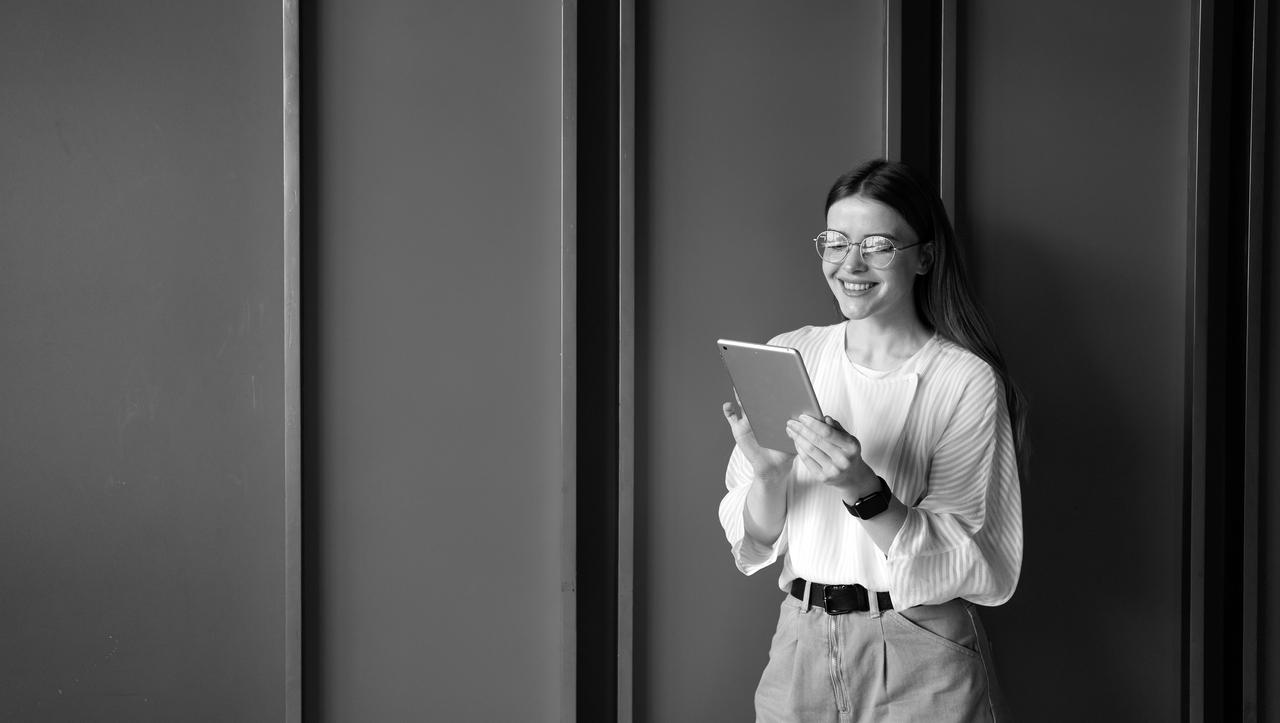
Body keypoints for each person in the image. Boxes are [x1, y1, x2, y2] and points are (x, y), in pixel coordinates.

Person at [718, 159, 1024, 722]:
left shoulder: (963, 378)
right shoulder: (792, 352)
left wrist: (861, 487)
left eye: (879, 244)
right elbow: (754, 540)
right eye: (835, 241)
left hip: (917, 641)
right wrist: (767, 478)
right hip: (799, 638)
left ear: (924, 257)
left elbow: (970, 554)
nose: (850, 263)